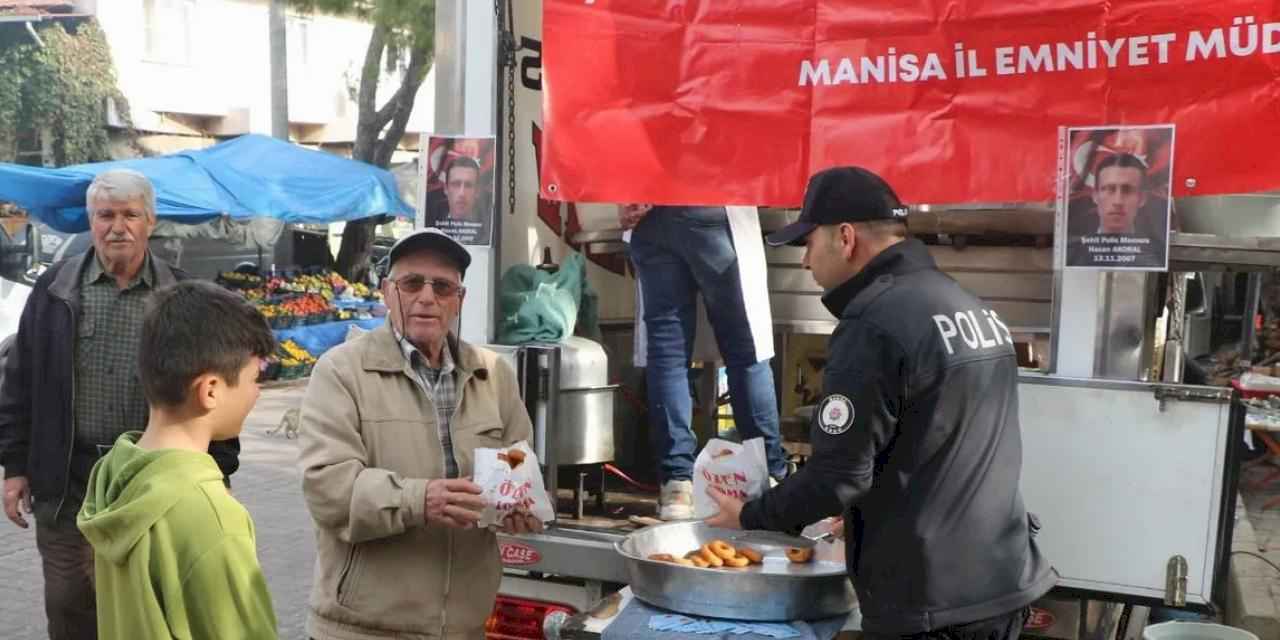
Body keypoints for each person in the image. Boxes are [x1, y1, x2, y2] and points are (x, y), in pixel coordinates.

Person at [705, 167, 1056, 639]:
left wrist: (749, 516)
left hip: (929, 605)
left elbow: (838, 477)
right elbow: (935, 441)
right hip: (1001, 580)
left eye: (808, 242)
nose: (806, 261)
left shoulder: (873, 323)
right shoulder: (971, 307)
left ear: (845, 238)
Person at [0, 169, 241, 640]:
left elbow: (216, 393)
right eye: (105, 215)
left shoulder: (182, 296)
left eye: (130, 214)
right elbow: (19, 381)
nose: (118, 227)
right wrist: (14, 467)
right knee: (70, 609)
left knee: (148, 613)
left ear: (150, 221)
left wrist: (220, 473)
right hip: (69, 486)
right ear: (90, 221)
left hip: (152, 488)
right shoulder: (53, 290)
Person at [299, 228, 540, 640]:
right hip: (363, 630)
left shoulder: (493, 375)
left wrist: (518, 502)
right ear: (386, 292)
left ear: (459, 300)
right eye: (412, 283)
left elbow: (516, 460)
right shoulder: (341, 371)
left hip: (463, 628)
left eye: (443, 287)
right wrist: (418, 499)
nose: (427, 298)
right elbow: (327, 488)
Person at [77, 281, 278, 639]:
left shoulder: (114, 472)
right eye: (253, 378)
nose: (257, 391)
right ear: (211, 390)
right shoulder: (212, 517)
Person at [622, 204, 788, 520]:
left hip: (652, 215)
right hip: (717, 206)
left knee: (668, 356)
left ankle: (676, 485)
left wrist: (627, 193)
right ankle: (771, 476)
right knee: (746, 352)